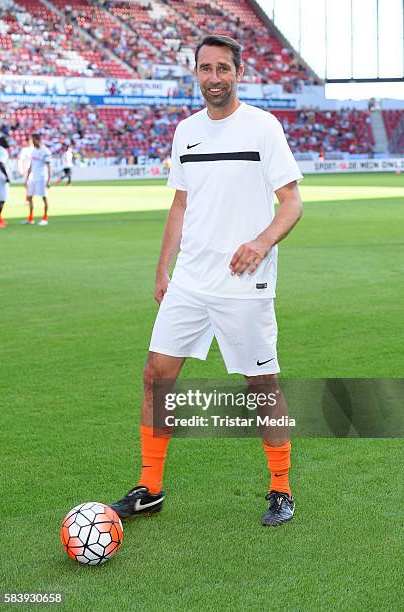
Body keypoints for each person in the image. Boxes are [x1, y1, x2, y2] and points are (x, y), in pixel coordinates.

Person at [110, 35, 303, 527]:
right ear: (194, 73)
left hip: (245, 281)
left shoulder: (263, 126)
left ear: (239, 72)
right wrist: (162, 268)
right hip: (191, 281)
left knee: (261, 384)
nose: (214, 77)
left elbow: (293, 202)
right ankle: (150, 487)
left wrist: (261, 243)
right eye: (205, 68)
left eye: (223, 68)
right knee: (157, 375)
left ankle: (280, 488)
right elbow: (180, 203)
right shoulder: (186, 131)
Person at [24, 134, 52, 226]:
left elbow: (49, 166)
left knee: (44, 197)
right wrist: (27, 178)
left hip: (42, 178)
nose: (32, 142)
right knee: (30, 197)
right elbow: (31, 166)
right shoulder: (33, 151)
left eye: (33, 140)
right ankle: (31, 218)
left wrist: (49, 180)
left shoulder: (45, 151)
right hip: (33, 178)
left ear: (38, 140)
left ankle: (45, 218)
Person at [0, 136, 10, 229]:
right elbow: (1, 163)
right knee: (2, 199)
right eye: (7, 141)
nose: (8, 143)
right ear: (2, 142)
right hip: (0, 177)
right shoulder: (3, 151)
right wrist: (6, 176)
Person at [18, 136, 34, 209]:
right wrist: (20, 169)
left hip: (35, 170)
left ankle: (28, 199)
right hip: (27, 170)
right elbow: (20, 160)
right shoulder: (24, 150)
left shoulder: (35, 149)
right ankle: (28, 199)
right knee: (27, 185)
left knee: (30, 185)